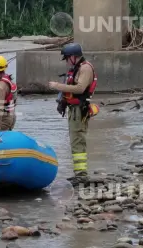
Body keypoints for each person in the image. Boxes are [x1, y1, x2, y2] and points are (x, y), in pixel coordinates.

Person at [48, 43, 98, 185]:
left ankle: (82, 175)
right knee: (75, 141)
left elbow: (80, 88)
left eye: (67, 58)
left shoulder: (85, 68)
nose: (66, 61)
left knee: (78, 141)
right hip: (74, 110)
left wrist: (57, 86)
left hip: (79, 110)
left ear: (73, 57)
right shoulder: (77, 68)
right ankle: (79, 174)